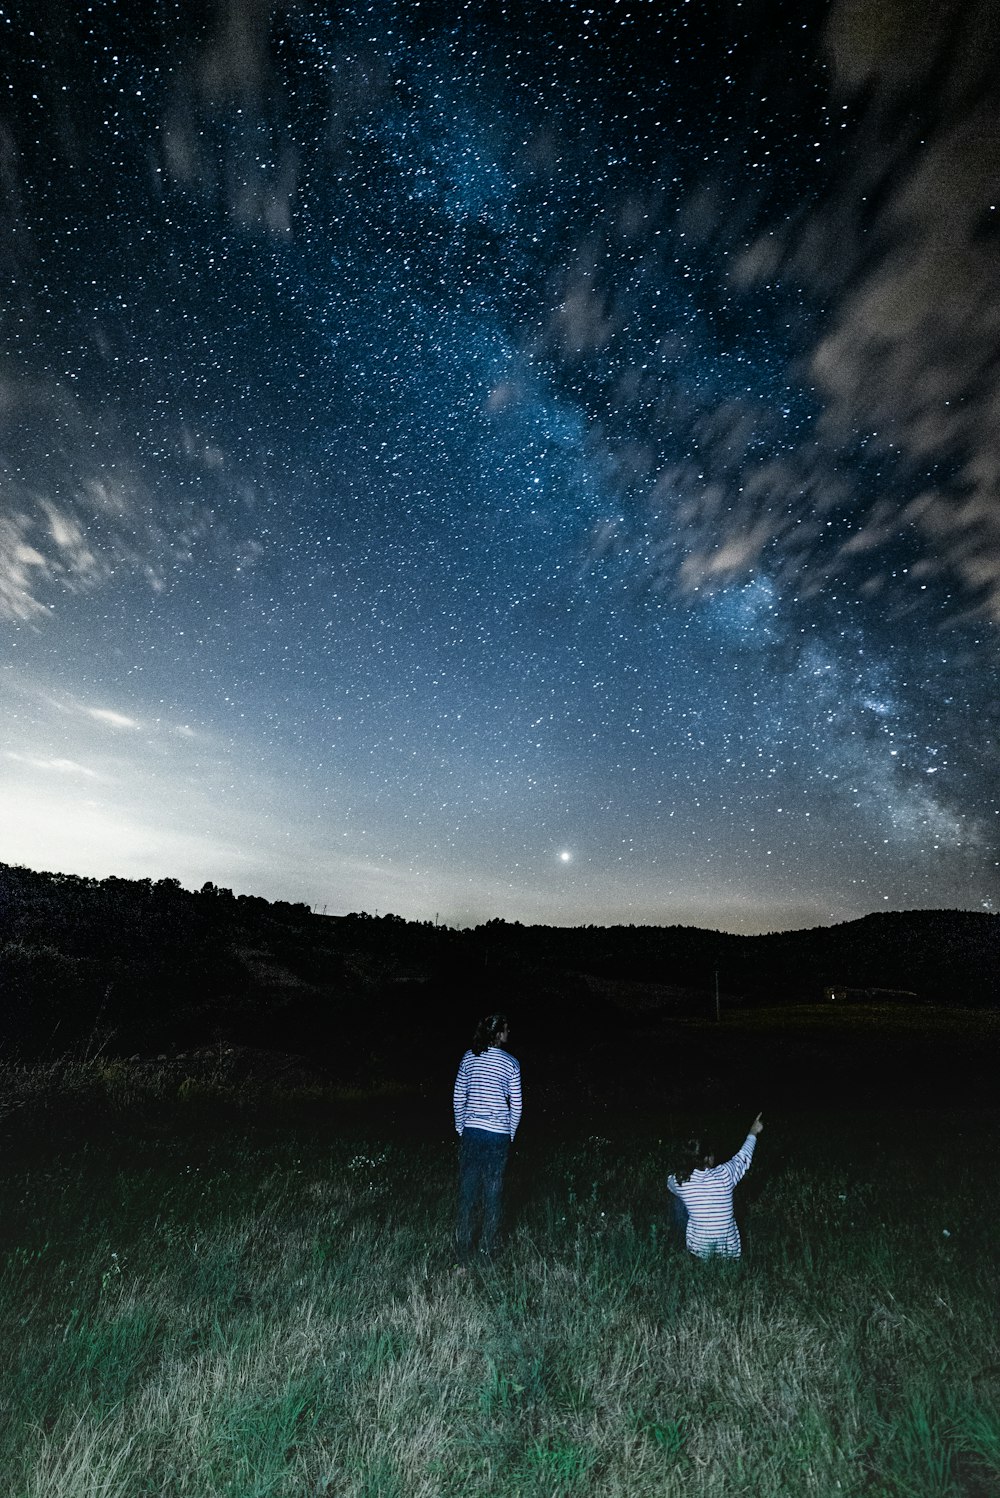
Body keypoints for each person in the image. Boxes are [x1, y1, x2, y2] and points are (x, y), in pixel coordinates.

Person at [453, 1013, 522, 1262]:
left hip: (472, 1132)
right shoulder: (511, 1063)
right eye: (506, 1029)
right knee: (494, 1193)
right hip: (497, 1136)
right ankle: (487, 1253)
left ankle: (463, 1253)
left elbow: (459, 1095)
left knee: (467, 1193)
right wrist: (510, 1133)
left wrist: (462, 1127)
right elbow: (517, 1105)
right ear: (498, 1034)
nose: (509, 1033)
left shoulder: (469, 1058)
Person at [667, 1112, 764, 1259]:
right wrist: (753, 1132)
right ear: (706, 1158)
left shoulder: (681, 1181)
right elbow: (743, 1157)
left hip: (699, 1254)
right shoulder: (724, 1174)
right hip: (729, 1254)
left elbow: (669, 1183)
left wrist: (683, 1173)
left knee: (679, 1202)